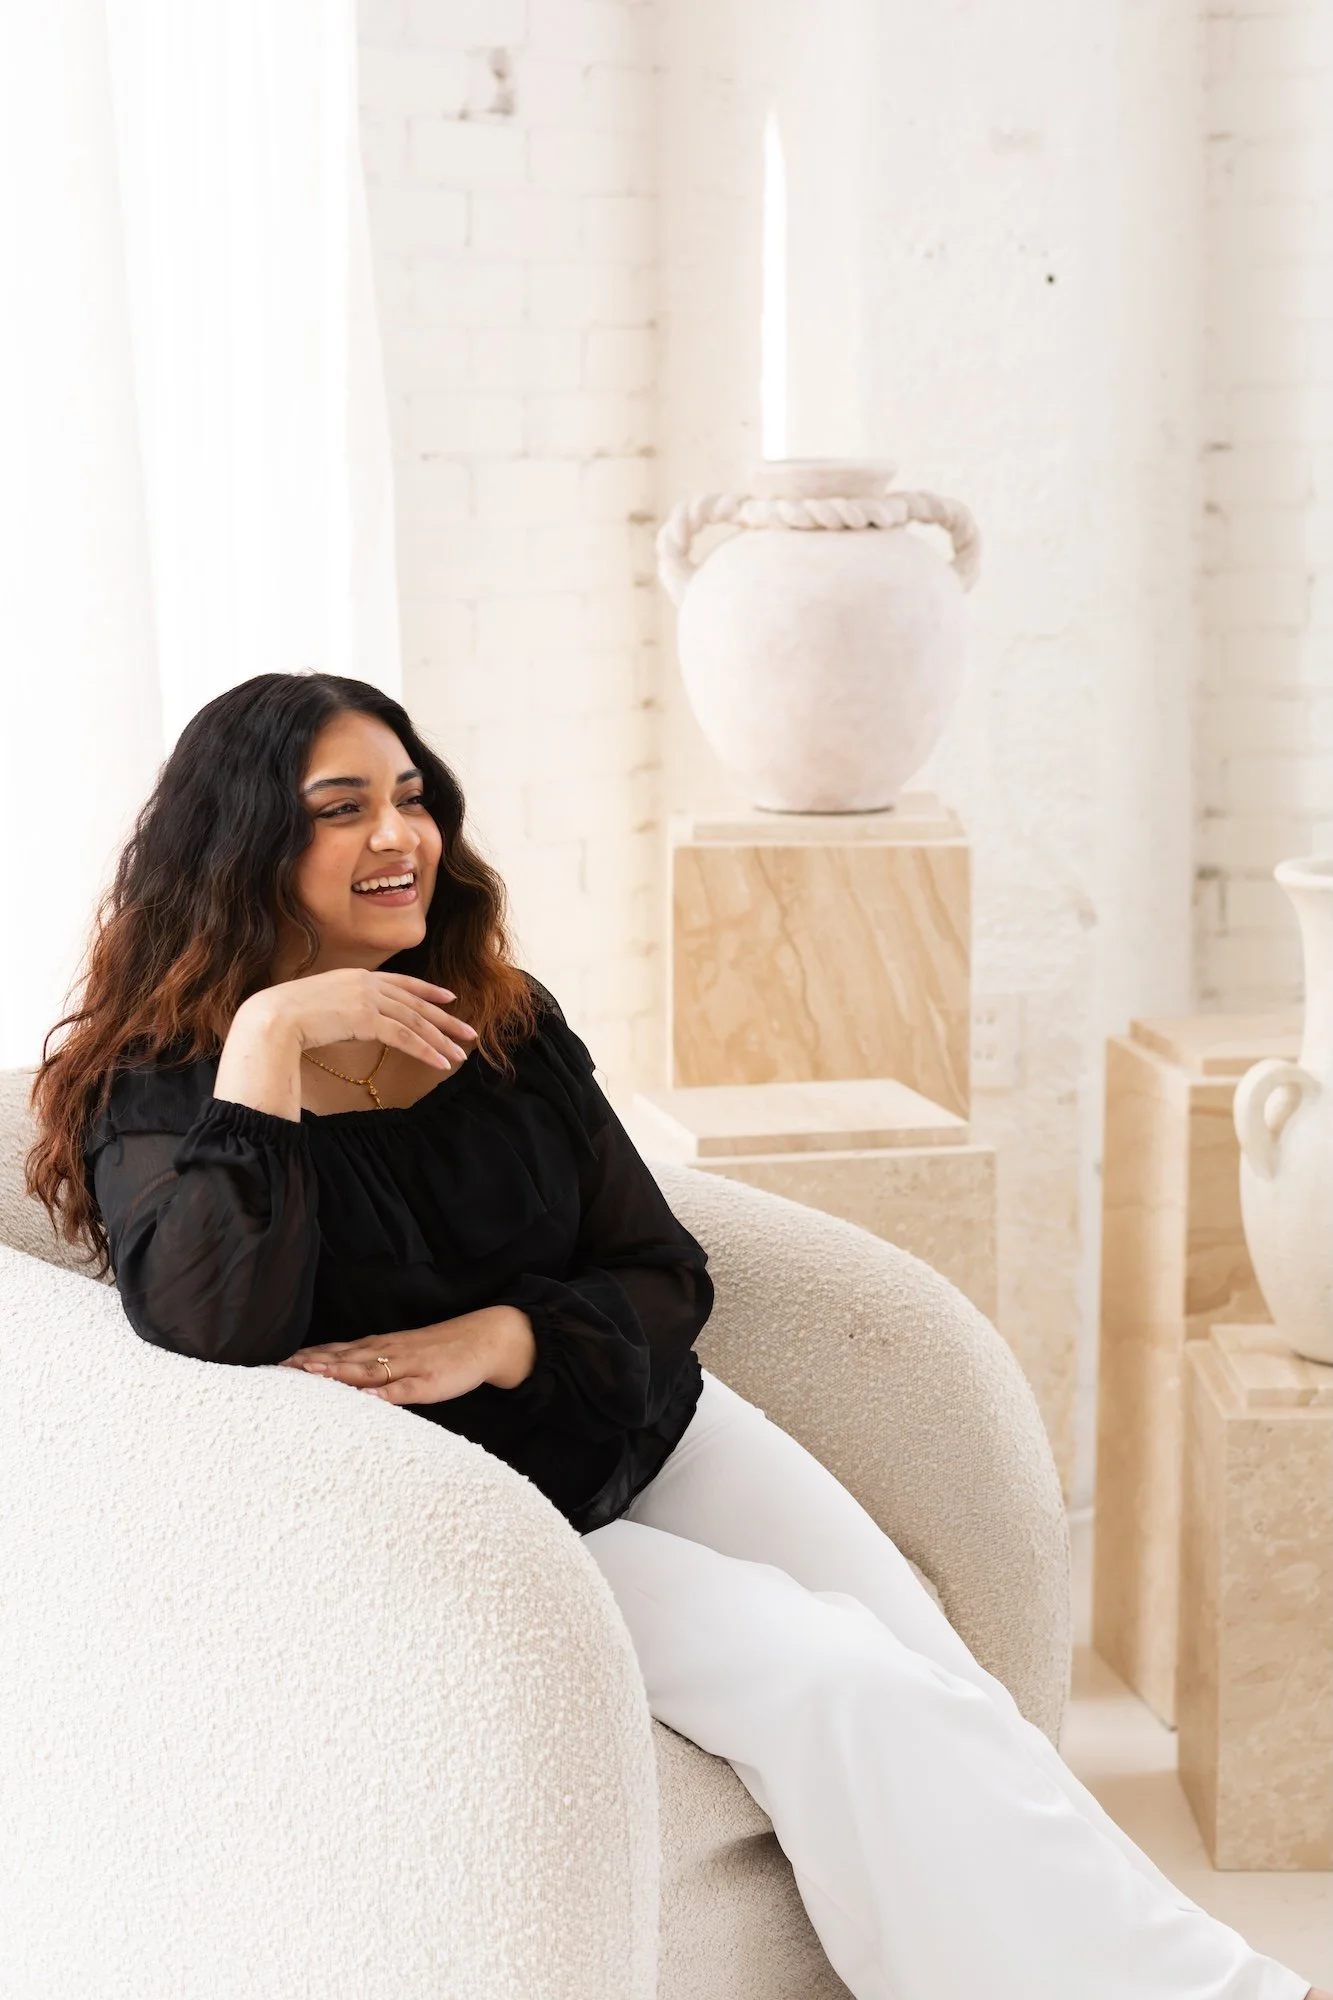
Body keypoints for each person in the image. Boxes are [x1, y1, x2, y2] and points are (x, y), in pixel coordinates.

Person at [27, 670, 1322, 2000]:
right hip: (488, 1521)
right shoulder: (166, 1087)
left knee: (951, 1691)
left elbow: (660, 1273)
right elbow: (211, 1334)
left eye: (411, 797)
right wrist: (271, 1034)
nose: (399, 836)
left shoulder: (503, 1019)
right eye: (341, 809)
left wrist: (504, 1338)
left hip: (639, 1413)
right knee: (838, 1684)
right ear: (242, 844)